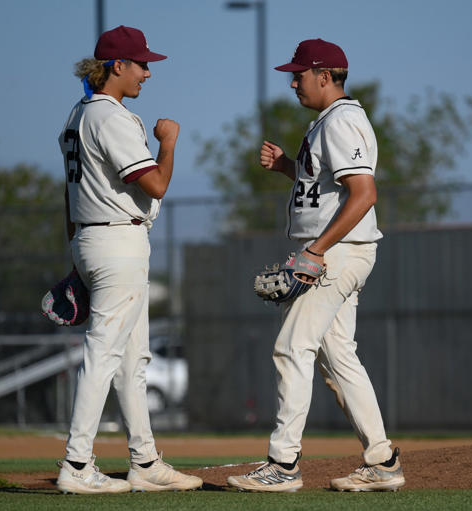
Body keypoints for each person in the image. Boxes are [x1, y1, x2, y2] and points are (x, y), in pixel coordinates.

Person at [227, 38, 405, 493]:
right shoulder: (328, 122)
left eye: (299, 74)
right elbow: (328, 189)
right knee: (337, 359)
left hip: (336, 252)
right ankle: (383, 461)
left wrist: (316, 251)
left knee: (291, 348)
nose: (293, 82)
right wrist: (289, 166)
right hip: (339, 249)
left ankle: (283, 465)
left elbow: (364, 194)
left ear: (324, 76)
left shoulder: (343, 120)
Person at [55, 25, 202, 494]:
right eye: (141, 64)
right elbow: (155, 184)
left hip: (95, 238)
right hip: (117, 242)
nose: (147, 73)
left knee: (132, 359)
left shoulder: (78, 113)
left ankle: (145, 461)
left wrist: (78, 255)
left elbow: (68, 194)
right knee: (104, 354)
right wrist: (169, 142)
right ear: (116, 66)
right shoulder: (110, 117)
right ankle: (77, 465)